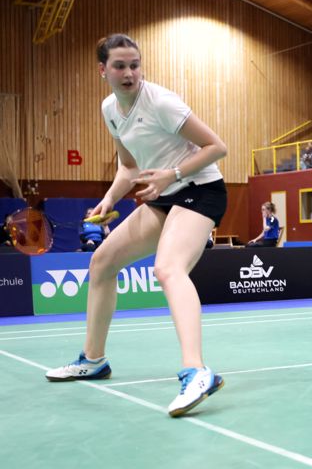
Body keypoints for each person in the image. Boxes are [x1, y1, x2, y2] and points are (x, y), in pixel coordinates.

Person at [45, 34, 228, 417]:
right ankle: (93, 359)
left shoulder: (160, 102)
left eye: (134, 65)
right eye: (120, 66)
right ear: (103, 70)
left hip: (200, 190)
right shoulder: (110, 109)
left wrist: (171, 174)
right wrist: (110, 198)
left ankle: (197, 371)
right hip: (163, 195)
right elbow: (129, 166)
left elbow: (217, 147)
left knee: (168, 268)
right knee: (102, 262)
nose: (129, 73)